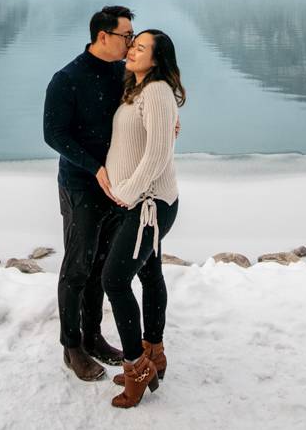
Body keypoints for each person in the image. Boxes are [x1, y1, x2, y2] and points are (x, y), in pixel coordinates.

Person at [43, 4, 134, 381]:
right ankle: (72, 345)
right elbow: (54, 134)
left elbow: (140, 108)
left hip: (115, 185)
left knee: (101, 265)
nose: (131, 42)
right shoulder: (67, 79)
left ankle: (94, 335)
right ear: (103, 36)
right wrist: (94, 167)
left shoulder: (122, 73)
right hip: (81, 185)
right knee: (78, 266)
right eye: (126, 36)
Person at [100, 29, 185, 409]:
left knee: (114, 281)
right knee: (150, 275)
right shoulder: (138, 89)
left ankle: (137, 367)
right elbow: (153, 140)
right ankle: (155, 353)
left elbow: (156, 155)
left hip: (148, 204)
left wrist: (127, 192)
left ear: (157, 59)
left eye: (141, 47)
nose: (132, 50)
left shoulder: (157, 91)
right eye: (133, 45)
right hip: (141, 202)